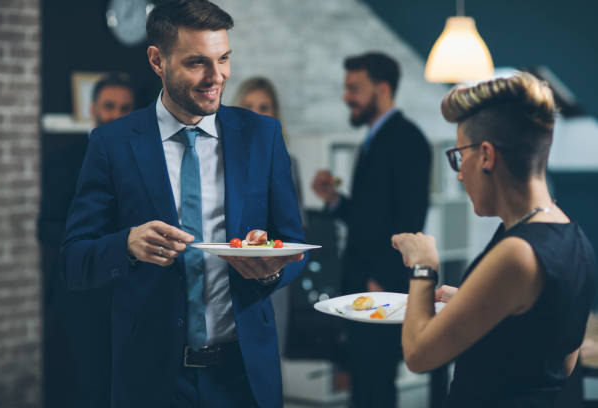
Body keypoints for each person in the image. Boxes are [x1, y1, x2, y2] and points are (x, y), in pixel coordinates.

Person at [60, 1, 305, 408]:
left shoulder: (262, 136)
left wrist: (266, 271)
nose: (217, 77)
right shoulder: (113, 144)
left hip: (244, 377)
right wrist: (126, 245)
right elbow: (73, 260)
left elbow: (293, 244)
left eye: (223, 58)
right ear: (157, 60)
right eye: (197, 63)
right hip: (152, 381)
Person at [391, 72, 596, 407]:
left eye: (459, 156)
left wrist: (423, 267)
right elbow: (559, 358)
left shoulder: (518, 253)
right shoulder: (573, 236)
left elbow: (417, 354)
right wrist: (474, 301)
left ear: (486, 155)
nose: (459, 173)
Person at [311, 52, 431, 407]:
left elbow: (411, 219)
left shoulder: (408, 139)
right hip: (363, 283)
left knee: (377, 386)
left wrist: (382, 278)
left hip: (381, 287)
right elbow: (372, 217)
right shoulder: (373, 139)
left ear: (381, 89)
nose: (347, 96)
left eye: (354, 88)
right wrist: (335, 200)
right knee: (363, 383)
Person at [39, 72, 135, 408]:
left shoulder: (145, 166)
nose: (116, 115)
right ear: (93, 108)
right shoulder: (64, 161)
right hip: (80, 294)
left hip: (130, 293)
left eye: (125, 108)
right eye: (110, 106)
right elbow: (46, 228)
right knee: (86, 387)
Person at [234, 76, 304, 356]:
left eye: (264, 107)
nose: (255, 114)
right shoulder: (220, 160)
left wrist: (272, 267)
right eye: (248, 105)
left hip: (271, 281)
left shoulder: (288, 163)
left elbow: (296, 238)